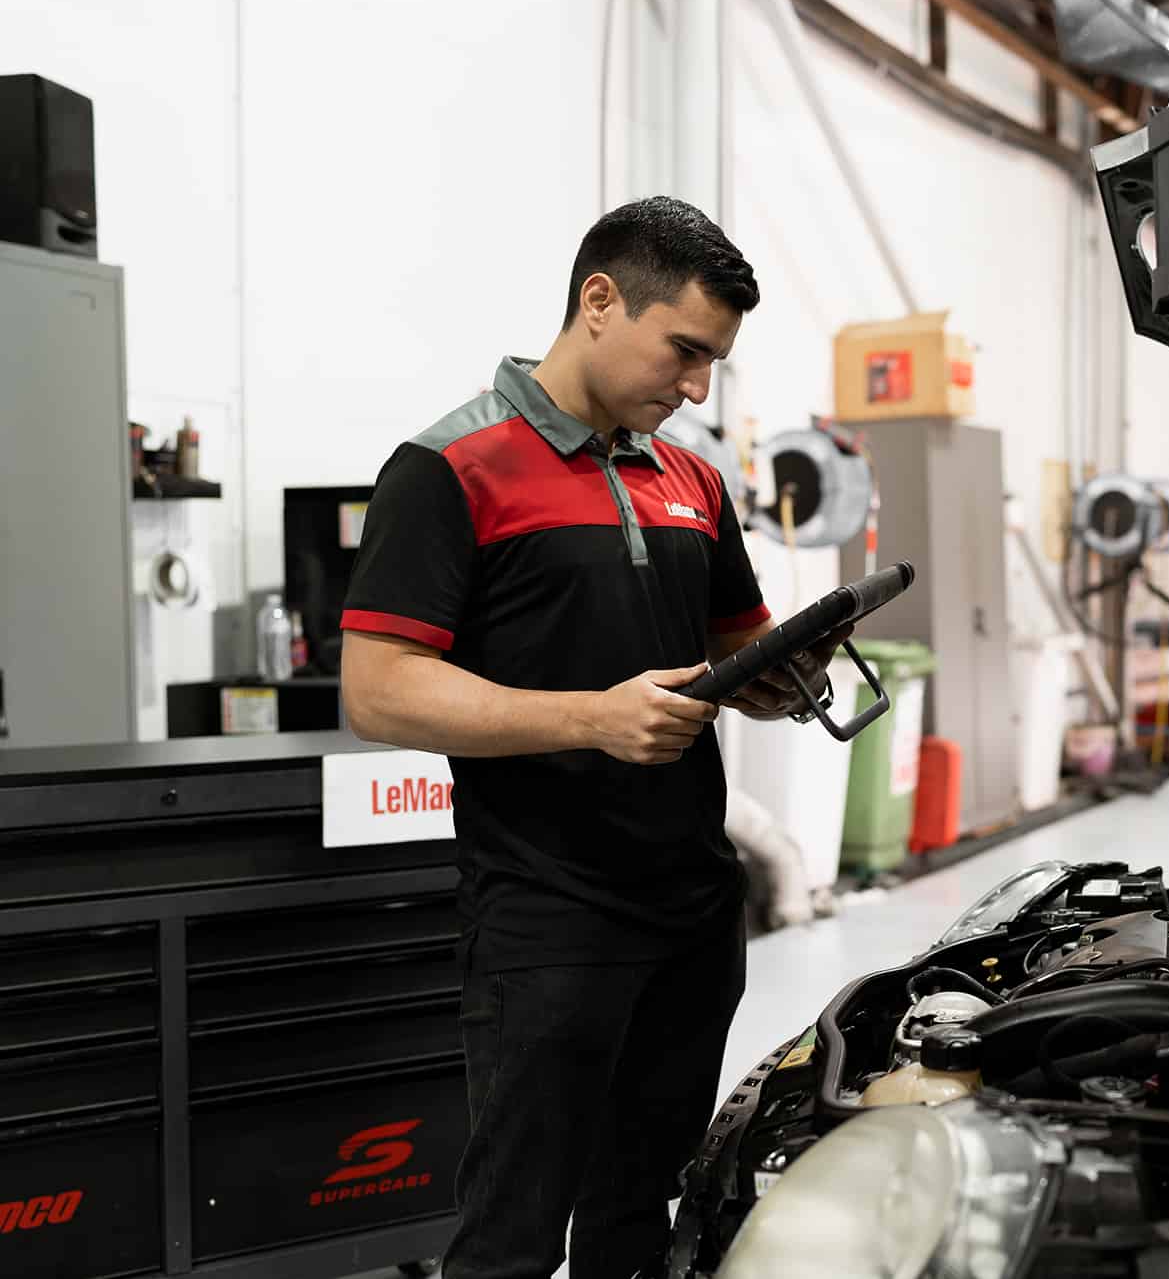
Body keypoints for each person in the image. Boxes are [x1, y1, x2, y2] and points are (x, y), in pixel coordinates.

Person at [339, 196, 844, 1279]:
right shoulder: (448, 467)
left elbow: (733, 650)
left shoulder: (691, 480)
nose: (697, 386)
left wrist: (784, 669)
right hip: (547, 915)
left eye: (713, 363)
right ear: (600, 303)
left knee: (642, 1210)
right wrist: (590, 718)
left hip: (692, 909)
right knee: (515, 1231)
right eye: (686, 352)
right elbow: (377, 692)